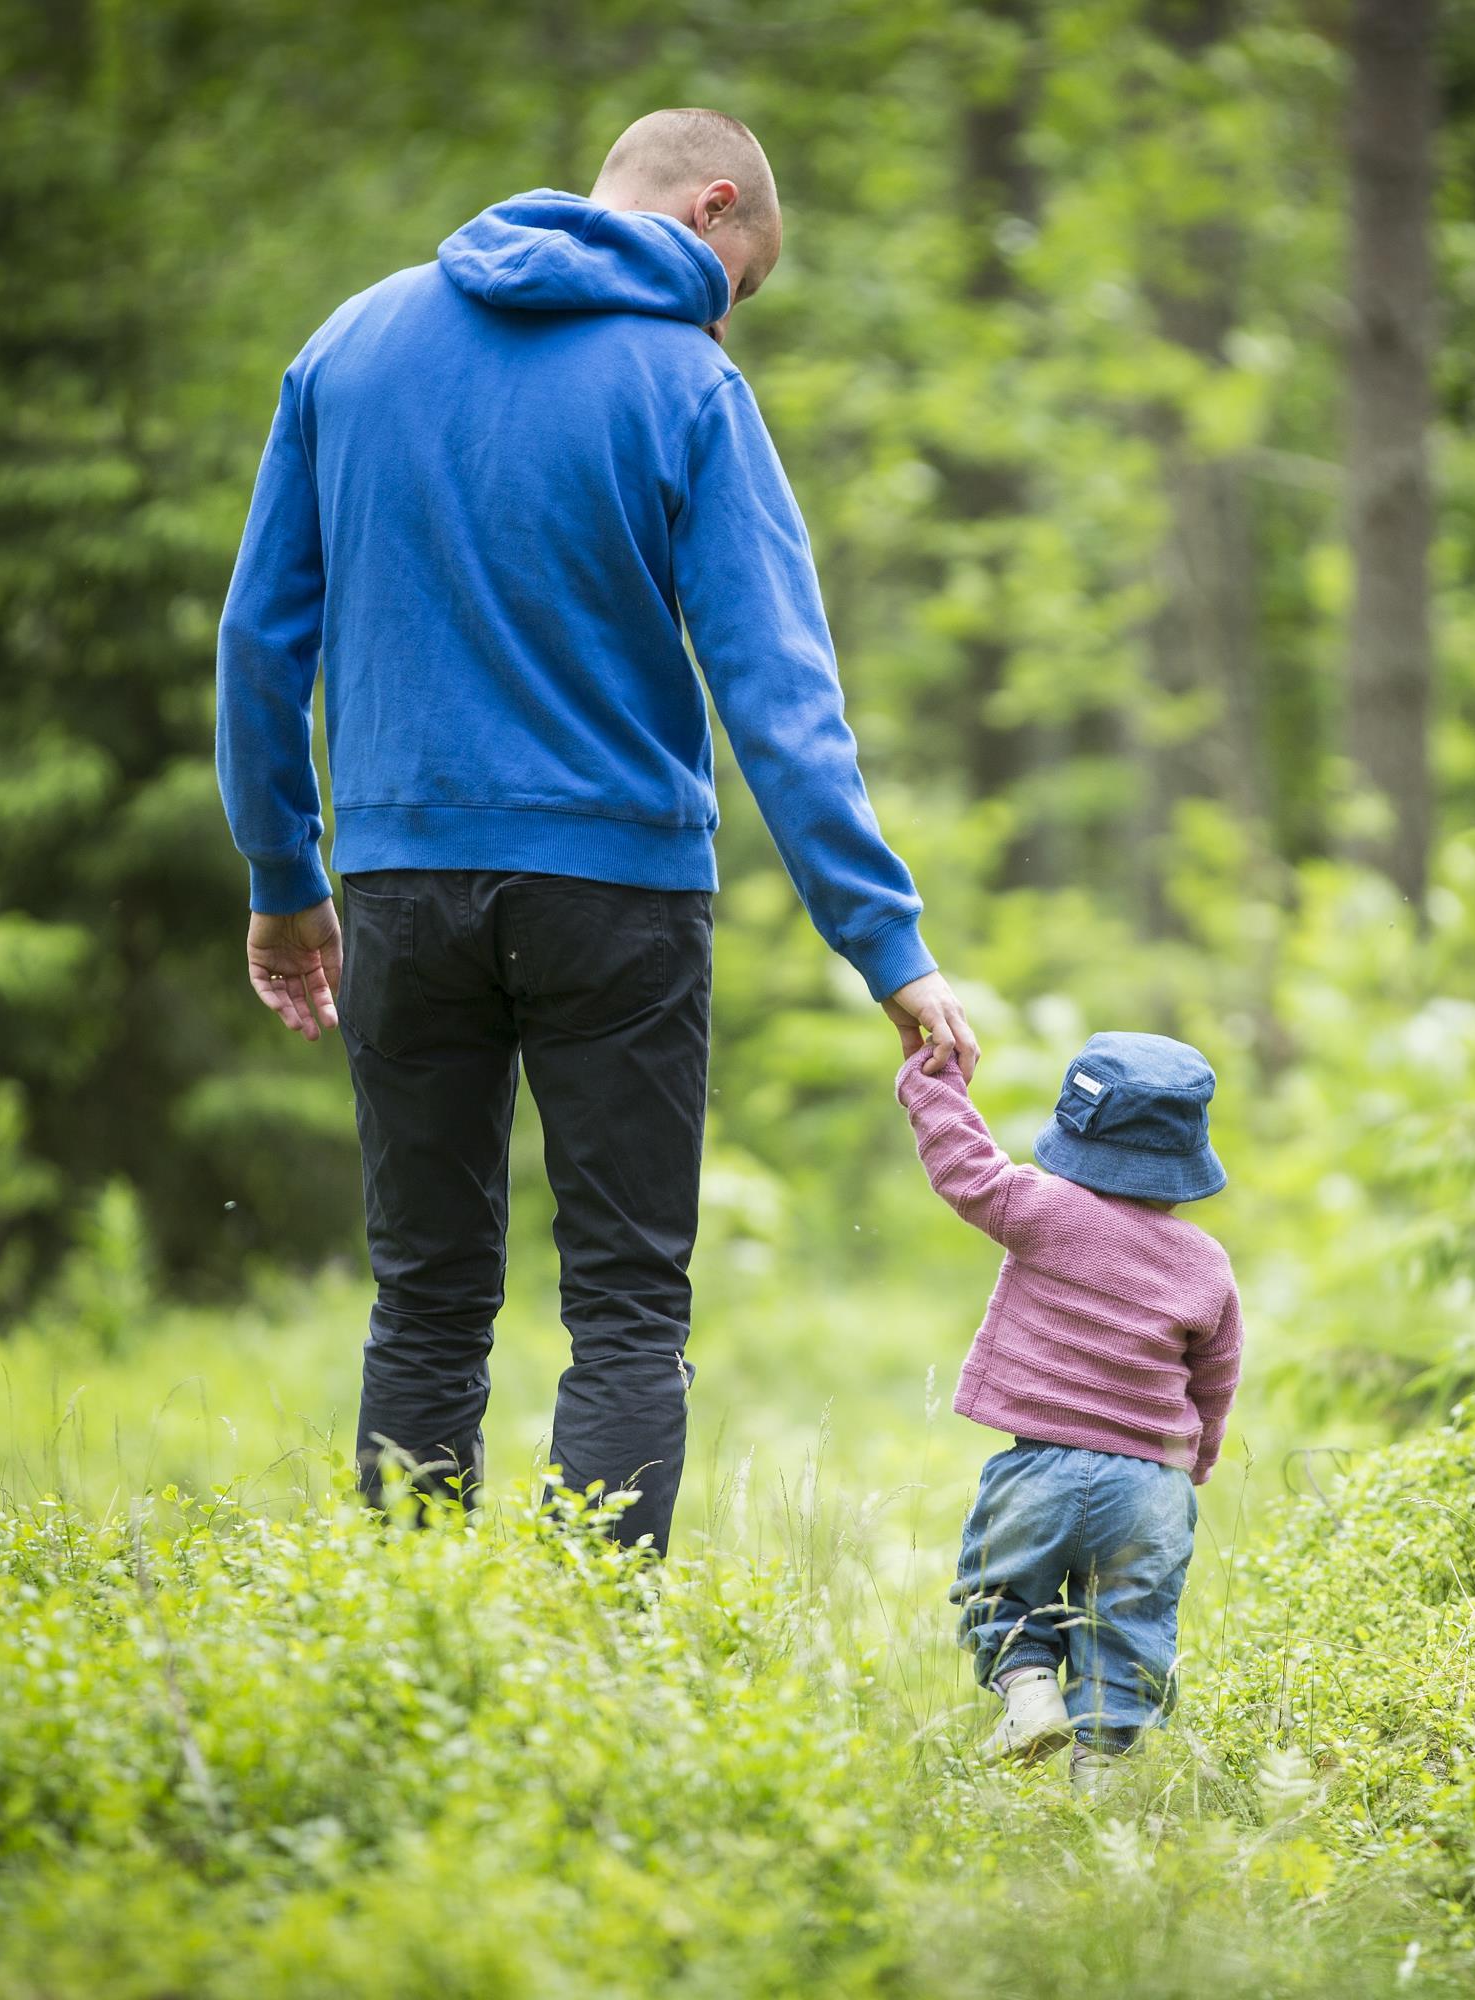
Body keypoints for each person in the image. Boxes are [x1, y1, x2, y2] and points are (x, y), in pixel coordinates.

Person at [216, 108, 978, 1555]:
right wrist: (885, 944)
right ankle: (589, 1660)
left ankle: (412, 1656)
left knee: (423, 1294)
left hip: (396, 877)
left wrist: (281, 876)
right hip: (615, 890)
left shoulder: (352, 346)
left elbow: (260, 640)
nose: (725, 323)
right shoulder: (686, 387)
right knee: (627, 1306)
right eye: (737, 285)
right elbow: (779, 696)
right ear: (709, 209)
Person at [897, 1031, 1244, 1792]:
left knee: (1000, 1588)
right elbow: (1214, 1379)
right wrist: (1200, 1458)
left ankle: (1028, 1696)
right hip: (1152, 1490)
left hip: (1039, 1466)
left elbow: (964, 1168)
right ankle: (1104, 1782)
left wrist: (933, 1085)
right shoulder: (1207, 1263)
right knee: (1130, 1629)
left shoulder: (1044, 1208)